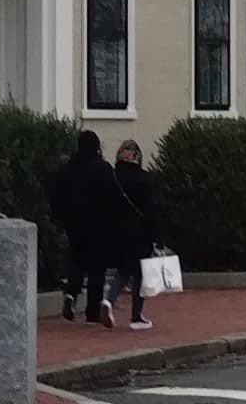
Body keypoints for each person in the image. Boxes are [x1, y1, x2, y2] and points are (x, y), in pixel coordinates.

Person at [49, 128, 135, 329]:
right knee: (97, 267)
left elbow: (56, 198)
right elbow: (116, 197)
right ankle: (92, 314)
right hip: (99, 225)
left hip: (74, 224)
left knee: (77, 260)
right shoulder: (103, 169)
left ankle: (71, 293)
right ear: (96, 147)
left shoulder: (67, 169)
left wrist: (62, 217)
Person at [111, 138, 162, 332]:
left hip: (118, 231)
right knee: (140, 273)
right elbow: (151, 211)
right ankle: (136, 316)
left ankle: (108, 301)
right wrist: (157, 237)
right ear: (136, 156)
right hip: (140, 233)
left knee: (123, 271)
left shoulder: (113, 177)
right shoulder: (144, 178)